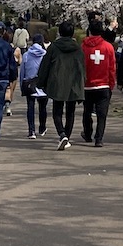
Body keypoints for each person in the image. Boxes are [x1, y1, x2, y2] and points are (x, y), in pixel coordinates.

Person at [34, 19, 86, 150]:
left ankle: (62, 134)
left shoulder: (54, 47)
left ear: (59, 32)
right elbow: (82, 68)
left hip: (57, 83)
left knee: (57, 111)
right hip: (73, 84)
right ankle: (66, 136)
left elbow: (45, 66)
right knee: (70, 112)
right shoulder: (78, 49)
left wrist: (40, 82)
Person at [80, 19, 118, 146]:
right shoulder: (108, 47)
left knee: (87, 111)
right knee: (102, 114)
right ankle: (99, 138)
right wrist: (112, 84)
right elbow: (112, 68)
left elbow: (80, 66)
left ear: (89, 31)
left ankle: (87, 133)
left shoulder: (83, 47)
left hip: (87, 85)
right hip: (104, 85)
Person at [20, 33, 49, 138]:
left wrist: (21, 85)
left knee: (30, 108)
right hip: (42, 84)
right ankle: (42, 128)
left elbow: (22, 72)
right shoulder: (45, 54)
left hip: (29, 84)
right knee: (43, 108)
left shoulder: (27, 55)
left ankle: (31, 131)